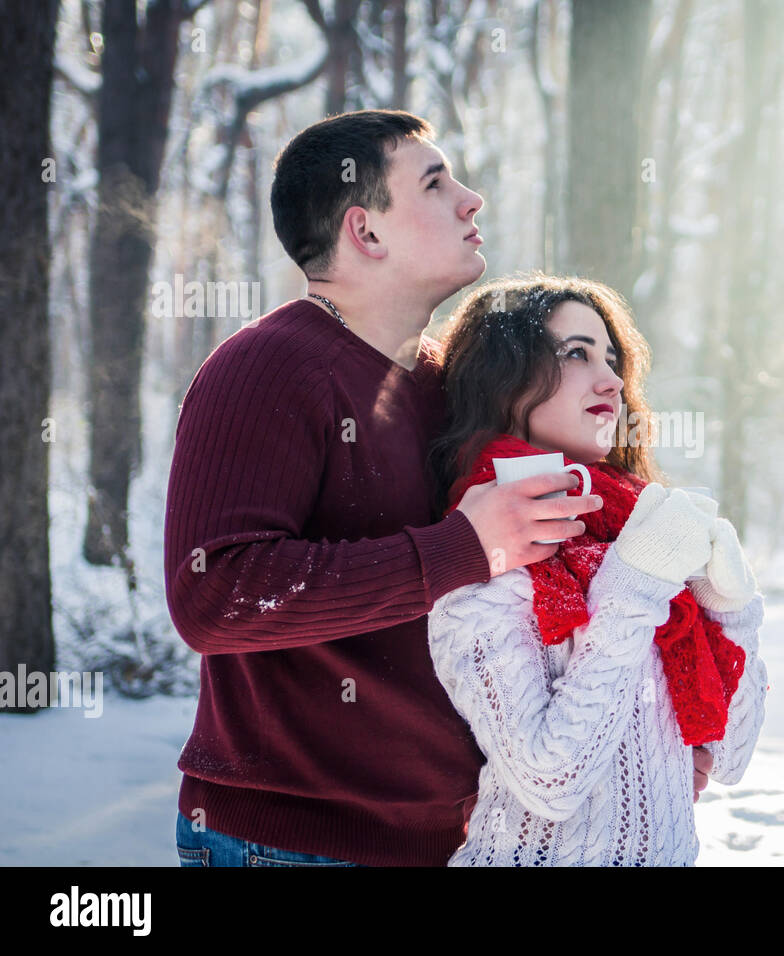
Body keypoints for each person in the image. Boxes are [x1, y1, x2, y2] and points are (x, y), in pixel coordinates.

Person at [165, 110, 706, 867]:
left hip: (448, 841)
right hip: (291, 842)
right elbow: (214, 596)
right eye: (434, 181)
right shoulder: (265, 367)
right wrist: (462, 548)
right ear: (367, 232)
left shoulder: (443, 384)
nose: (471, 197)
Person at [425, 275, 768, 865]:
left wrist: (732, 611)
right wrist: (634, 589)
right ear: (504, 381)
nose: (610, 379)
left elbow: (729, 755)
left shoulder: (640, 534)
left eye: (612, 359)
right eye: (575, 353)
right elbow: (548, 782)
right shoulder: (485, 561)